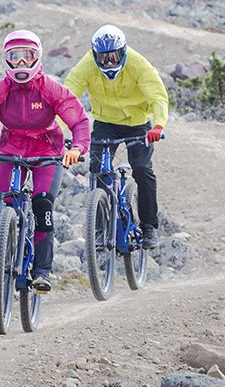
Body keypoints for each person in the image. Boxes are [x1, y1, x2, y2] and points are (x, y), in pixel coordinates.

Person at [0, 29, 91, 293]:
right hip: (11, 150)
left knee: (42, 204)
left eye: (26, 57)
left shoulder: (51, 89)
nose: (20, 63)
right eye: (14, 57)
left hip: (47, 152)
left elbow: (78, 120)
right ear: (5, 59)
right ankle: (1, 261)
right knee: (5, 202)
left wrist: (77, 147)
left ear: (37, 58)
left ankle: (42, 272)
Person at [63, 24, 169, 249]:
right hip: (106, 123)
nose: (109, 62)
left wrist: (158, 125)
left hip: (138, 124)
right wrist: (59, 128)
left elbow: (157, 96)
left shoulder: (138, 64)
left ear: (123, 52)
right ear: (94, 55)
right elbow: (67, 97)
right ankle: (100, 227)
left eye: (114, 56)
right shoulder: (87, 66)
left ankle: (149, 226)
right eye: (103, 58)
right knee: (97, 169)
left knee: (142, 169)